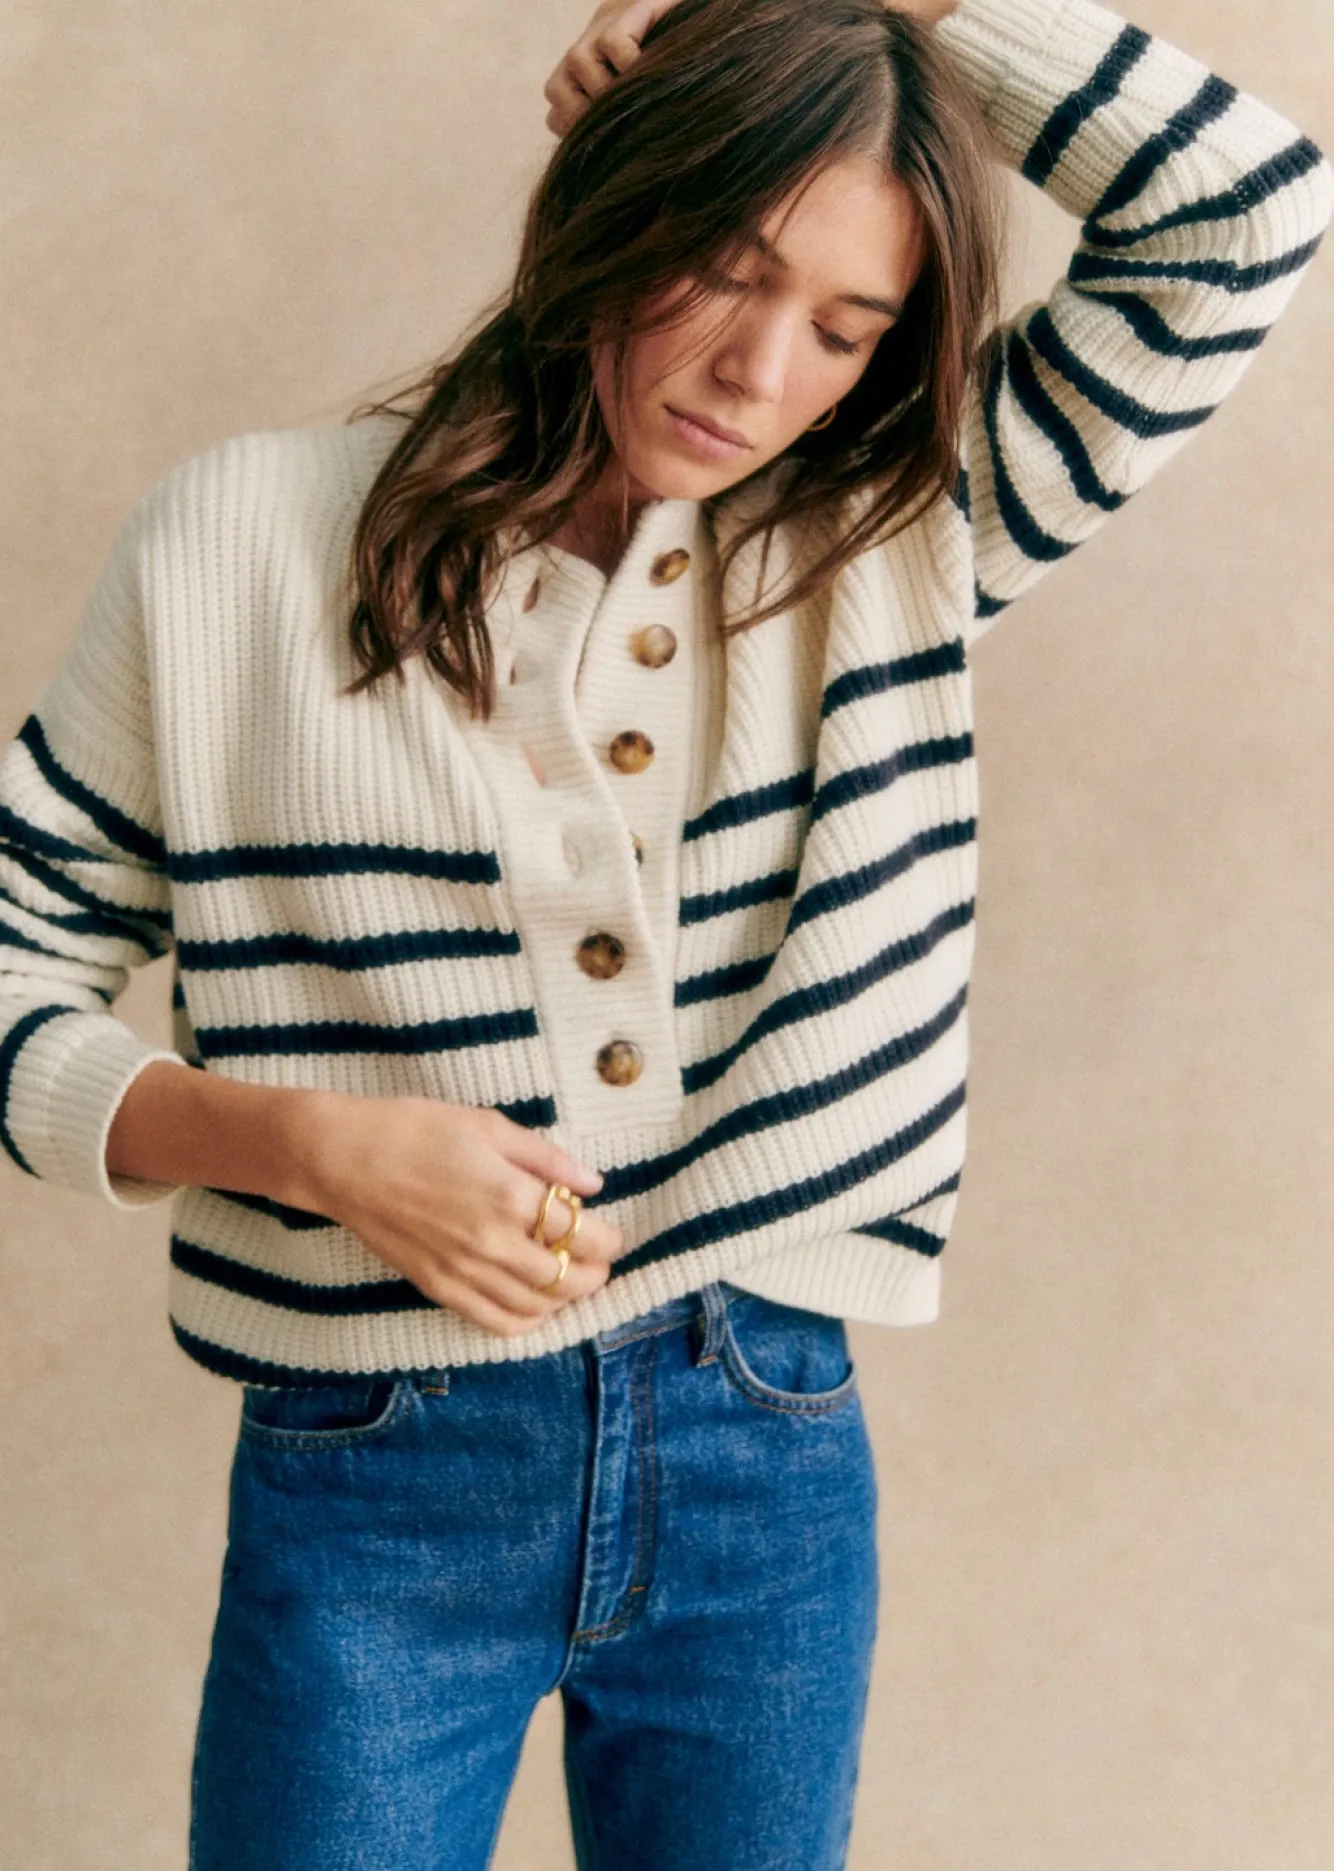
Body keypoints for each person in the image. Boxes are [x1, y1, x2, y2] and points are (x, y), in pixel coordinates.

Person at [0, 0, 1327, 1864]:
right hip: (374, 1471)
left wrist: (881, 4)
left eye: (844, 328)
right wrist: (300, 1144)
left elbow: (1242, 210)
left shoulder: (894, 530)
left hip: (758, 1439)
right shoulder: (233, 547)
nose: (758, 372)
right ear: (607, 204)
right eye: (724, 269)